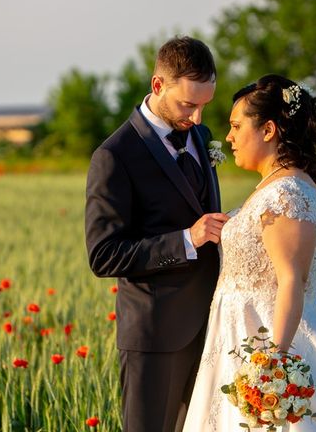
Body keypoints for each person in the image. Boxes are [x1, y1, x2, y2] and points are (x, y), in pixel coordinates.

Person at [183, 74, 316, 431]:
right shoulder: (276, 187)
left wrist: (270, 366)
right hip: (240, 337)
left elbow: (290, 281)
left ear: (268, 130)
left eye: (237, 126)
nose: (230, 137)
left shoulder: (286, 194)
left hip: (265, 341)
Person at [85, 36, 228, 432]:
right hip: (155, 336)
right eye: (188, 105)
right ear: (158, 85)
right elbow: (104, 255)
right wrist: (187, 239)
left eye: (204, 105)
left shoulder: (200, 136)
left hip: (214, 329)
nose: (197, 118)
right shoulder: (114, 156)